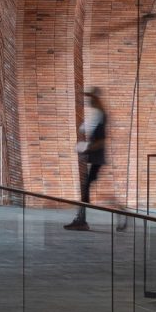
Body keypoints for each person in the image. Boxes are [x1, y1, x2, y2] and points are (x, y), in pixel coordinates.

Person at [65, 87, 106, 231]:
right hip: (95, 158)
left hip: (97, 159)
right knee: (87, 188)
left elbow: (101, 142)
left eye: (91, 100)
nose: (89, 102)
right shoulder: (99, 115)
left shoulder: (101, 115)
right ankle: (81, 218)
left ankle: (81, 220)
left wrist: (86, 148)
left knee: (86, 189)